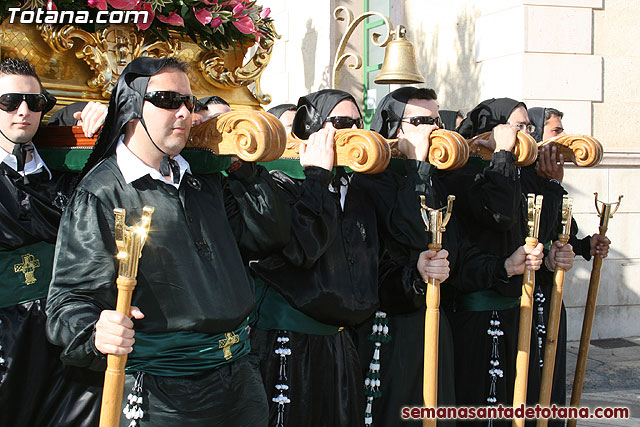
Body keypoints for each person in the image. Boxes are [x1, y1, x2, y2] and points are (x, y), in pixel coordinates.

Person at [45, 56, 290, 426]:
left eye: (189, 103)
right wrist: (96, 329)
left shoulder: (204, 181)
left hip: (239, 377)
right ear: (131, 105)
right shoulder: (102, 192)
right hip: (164, 392)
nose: (184, 113)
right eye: (167, 100)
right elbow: (67, 301)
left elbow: (267, 236)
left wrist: (244, 168)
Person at [249, 88, 449, 427]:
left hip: (341, 347)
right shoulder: (279, 181)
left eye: (358, 124)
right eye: (342, 123)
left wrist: (414, 272)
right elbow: (302, 250)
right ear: (313, 128)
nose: (354, 133)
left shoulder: (357, 190)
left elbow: (374, 272)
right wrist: (317, 177)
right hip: (290, 347)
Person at [361, 87, 552, 427]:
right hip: (389, 331)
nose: (434, 128)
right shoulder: (372, 182)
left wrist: (505, 266)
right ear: (394, 128)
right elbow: (411, 234)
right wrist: (417, 167)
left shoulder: (435, 180)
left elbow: (459, 257)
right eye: (421, 121)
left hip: (434, 326)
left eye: (436, 119)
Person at [440, 98, 575, 425]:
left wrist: (550, 185)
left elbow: (537, 230)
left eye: (529, 127)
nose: (527, 134)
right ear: (495, 130)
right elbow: (499, 217)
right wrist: (501, 154)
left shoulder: (515, 172)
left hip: (515, 309)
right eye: (519, 127)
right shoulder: (465, 174)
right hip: (475, 314)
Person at [0, 58, 102, 427]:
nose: (23, 111)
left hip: (63, 325)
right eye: (9, 102)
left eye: (35, 102)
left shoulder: (58, 166)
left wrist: (96, 111)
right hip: (8, 335)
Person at [527, 107, 610, 422]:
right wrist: (550, 186)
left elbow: (563, 236)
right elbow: (535, 237)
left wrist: (585, 246)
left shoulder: (551, 182)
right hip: (527, 298)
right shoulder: (522, 182)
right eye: (555, 132)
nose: (564, 140)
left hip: (551, 298)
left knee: (552, 378)